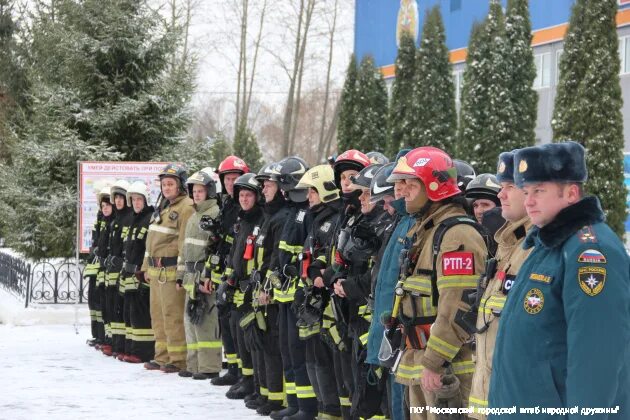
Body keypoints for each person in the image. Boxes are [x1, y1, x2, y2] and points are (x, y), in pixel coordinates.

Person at [488, 141, 630, 418]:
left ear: (571, 193)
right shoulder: (547, 246)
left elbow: (597, 358)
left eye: (539, 191)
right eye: (526, 191)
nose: (528, 200)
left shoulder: (589, 251)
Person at [386, 147, 488, 419]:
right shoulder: (426, 230)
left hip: (446, 369)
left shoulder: (457, 235)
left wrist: (434, 361)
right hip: (421, 364)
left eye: (410, 182)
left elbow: (457, 307)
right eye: (400, 182)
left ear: (434, 185)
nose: (402, 189)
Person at [468, 151, 533, 418]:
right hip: (487, 396)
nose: (501, 196)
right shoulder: (508, 245)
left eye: (509, 187)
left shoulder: (534, 249)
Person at [269, 156, 318, 420]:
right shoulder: (292, 212)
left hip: (298, 295)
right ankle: (294, 403)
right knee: (287, 351)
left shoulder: (306, 213)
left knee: (298, 353)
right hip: (283, 294)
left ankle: (307, 408)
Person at [365, 157, 414, 420]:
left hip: (403, 331)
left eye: (403, 184)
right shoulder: (401, 222)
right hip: (390, 328)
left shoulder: (412, 223)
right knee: (394, 399)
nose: (397, 190)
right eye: (395, 186)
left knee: (402, 401)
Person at [295, 164, 344, 419]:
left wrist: (320, 275)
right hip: (313, 301)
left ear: (325, 190)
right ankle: (324, 410)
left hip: (328, 303)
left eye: (312, 191)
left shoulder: (334, 220)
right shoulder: (319, 219)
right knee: (313, 357)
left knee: (325, 359)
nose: (308, 197)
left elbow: (332, 258)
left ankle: (331, 411)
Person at [141, 163, 194, 373]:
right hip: (155, 273)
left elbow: (184, 244)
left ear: (180, 186)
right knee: (158, 315)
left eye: (170, 184)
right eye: (164, 184)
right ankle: (161, 356)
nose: (166, 188)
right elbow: (151, 241)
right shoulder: (162, 206)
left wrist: (182, 274)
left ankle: (178, 359)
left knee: (173, 316)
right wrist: (145, 266)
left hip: (171, 273)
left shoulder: (186, 207)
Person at [207, 155, 250, 387]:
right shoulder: (227, 204)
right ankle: (233, 368)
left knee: (237, 324)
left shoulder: (246, 205)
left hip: (237, 274)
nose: (231, 183)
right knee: (225, 323)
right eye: (227, 179)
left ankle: (243, 373)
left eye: (235, 178)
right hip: (222, 270)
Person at [178, 168, 223, 380]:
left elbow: (214, 250)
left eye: (200, 191)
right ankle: (194, 364)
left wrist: (208, 277)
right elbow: (184, 250)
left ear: (210, 192)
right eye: (194, 191)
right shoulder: (193, 216)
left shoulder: (215, 214)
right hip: (190, 279)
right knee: (191, 323)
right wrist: (181, 276)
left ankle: (209, 366)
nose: (196, 194)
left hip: (204, 279)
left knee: (206, 323)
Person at [224, 172, 264, 400]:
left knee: (251, 339)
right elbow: (234, 254)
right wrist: (227, 280)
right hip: (237, 287)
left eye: (249, 195)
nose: (244, 199)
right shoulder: (242, 221)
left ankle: (253, 383)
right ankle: (245, 378)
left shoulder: (260, 220)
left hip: (251, 289)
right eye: (241, 195)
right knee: (238, 334)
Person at [121, 181, 155, 363]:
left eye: (139, 199)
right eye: (133, 200)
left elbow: (148, 248)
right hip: (131, 274)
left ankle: (144, 352)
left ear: (146, 200)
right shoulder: (134, 220)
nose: (136, 203)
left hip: (142, 274)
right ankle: (132, 348)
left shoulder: (149, 218)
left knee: (141, 315)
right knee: (131, 313)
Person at [106, 179, 133, 360]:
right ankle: (116, 344)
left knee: (122, 309)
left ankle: (123, 345)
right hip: (112, 271)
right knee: (114, 308)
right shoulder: (116, 220)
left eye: (121, 198)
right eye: (115, 198)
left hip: (123, 271)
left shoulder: (129, 218)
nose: (117, 201)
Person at [94, 185, 114, 351]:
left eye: (108, 205)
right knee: (103, 305)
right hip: (102, 269)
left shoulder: (113, 222)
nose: (105, 208)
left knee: (112, 307)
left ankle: (110, 340)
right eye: (103, 206)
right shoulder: (104, 221)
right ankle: (105, 337)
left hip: (112, 270)